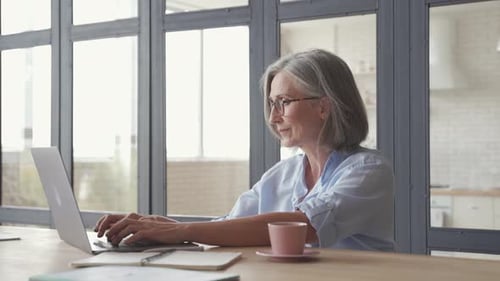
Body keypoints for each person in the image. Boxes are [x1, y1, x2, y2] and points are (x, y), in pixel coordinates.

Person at [95, 49, 395, 251]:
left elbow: (303, 227)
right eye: (271, 104)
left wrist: (181, 231)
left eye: (284, 102)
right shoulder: (283, 173)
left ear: (323, 107)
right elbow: (227, 227)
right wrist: (155, 226)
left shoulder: (368, 170)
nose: (273, 117)